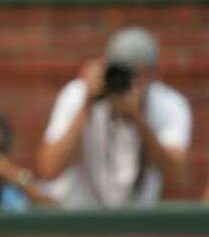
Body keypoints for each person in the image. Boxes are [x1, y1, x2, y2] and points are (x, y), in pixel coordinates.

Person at [38, 28, 191, 208]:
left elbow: (177, 176)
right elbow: (49, 168)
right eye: (124, 74)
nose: (130, 84)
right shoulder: (78, 95)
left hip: (137, 222)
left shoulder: (169, 104)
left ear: (155, 75)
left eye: (139, 75)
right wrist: (87, 105)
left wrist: (138, 120)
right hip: (79, 215)